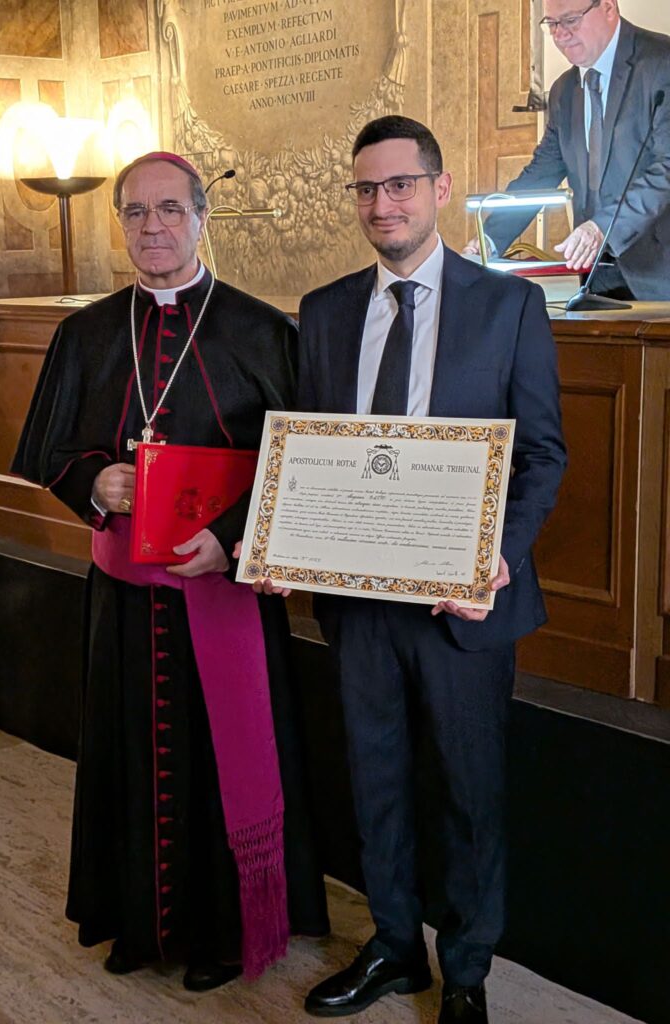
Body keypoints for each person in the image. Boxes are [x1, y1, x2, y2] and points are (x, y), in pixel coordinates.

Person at [11, 151, 328, 990]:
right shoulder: (85, 333)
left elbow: (302, 460)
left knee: (219, 762)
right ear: (122, 223)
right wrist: (94, 482)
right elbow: (51, 449)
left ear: (200, 219)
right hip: (121, 598)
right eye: (136, 212)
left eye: (169, 211)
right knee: (129, 757)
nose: (152, 227)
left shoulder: (261, 330)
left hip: (223, 594)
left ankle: (220, 934)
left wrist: (232, 536)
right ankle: (137, 924)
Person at [285, 116, 566, 1023]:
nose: (383, 204)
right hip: (359, 603)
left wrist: (497, 557)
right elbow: (313, 451)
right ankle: (395, 948)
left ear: (440, 190)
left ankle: (468, 971)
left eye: (400, 185)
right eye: (367, 188)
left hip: (463, 605)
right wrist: (288, 540)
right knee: (375, 783)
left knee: (470, 792)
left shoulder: (508, 306)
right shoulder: (324, 311)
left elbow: (542, 456)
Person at [463, 0, 670, 301]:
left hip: (660, 276)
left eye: (571, 20)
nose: (560, 34)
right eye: (552, 24)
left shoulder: (662, 63)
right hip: (596, 281)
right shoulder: (563, 90)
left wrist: (601, 229)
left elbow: (666, 169)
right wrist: (488, 241)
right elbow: (539, 175)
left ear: (608, 7)